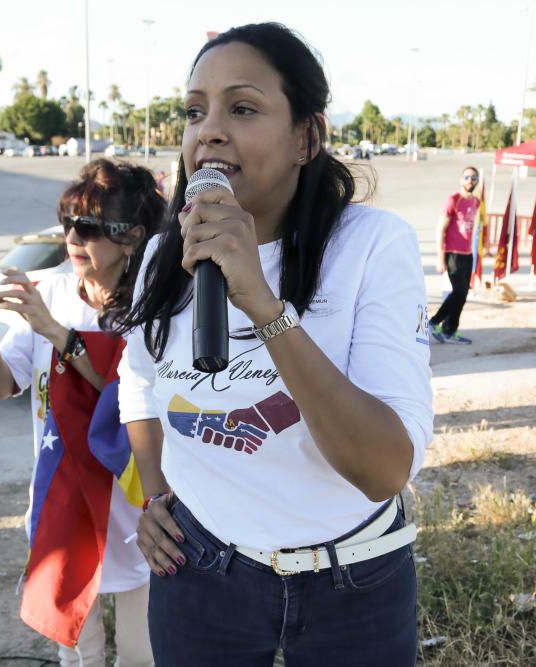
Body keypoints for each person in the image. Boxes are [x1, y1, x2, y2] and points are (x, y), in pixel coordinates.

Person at [115, 23, 433, 665]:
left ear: (307, 136)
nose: (209, 130)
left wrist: (264, 306)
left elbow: (384, 470)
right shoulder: (163, 255)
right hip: (201, 573)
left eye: (243, 107)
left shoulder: (372, 247)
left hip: (353, 581)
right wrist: (155, 496)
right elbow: (141, 382)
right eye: (194, 111)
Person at [0, 159, 164, 666]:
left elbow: (124, 394)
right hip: (64, 501)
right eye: (68, 220)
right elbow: (6, 385)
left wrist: (55, 332)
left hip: (136, 508)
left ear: (132, 237)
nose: (71, 234)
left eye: (88, 226)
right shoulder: (48, 291)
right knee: (76, 654)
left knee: (140, 655)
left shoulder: (154, 306)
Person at [428, 166, 480, 344]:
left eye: (474, 177)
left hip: (467, 254)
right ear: (461, 180)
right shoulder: (453, 200)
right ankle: (434, 322)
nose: (470, 181)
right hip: (453, 254)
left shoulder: (476, 202)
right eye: (467, 177)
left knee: (463, 294)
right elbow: (440, 229)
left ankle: (449, 330)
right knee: (459, 291)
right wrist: (440, 257)